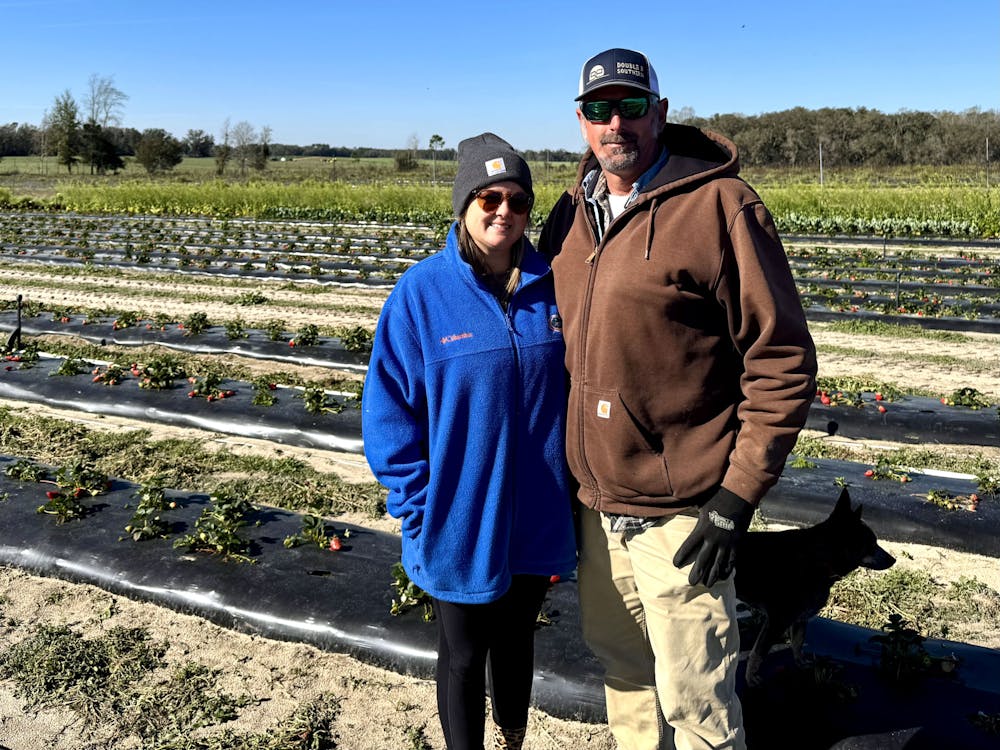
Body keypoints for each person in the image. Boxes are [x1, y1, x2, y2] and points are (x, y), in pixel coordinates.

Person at [539, 48, 818, 750]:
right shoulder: (570, 213)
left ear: (659, 114)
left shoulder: (722, 206)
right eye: (600, 109)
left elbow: (780, 359)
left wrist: (737, 497)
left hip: (682, 515)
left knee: (699, 702)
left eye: (632, 107)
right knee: (626, 677)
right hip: (595, 508)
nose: (616, 123)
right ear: (580, 121)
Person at [362, 132, 577, 750]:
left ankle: (513, 740)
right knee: (462, 653)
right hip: (457, 514)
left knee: (518, 637)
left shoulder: (552, 286)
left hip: (537, 510)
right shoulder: (422, 294)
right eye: (488, 198)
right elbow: (388, 409)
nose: (503, 211)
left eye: (516, 199)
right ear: (464, 206)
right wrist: (416, 502)